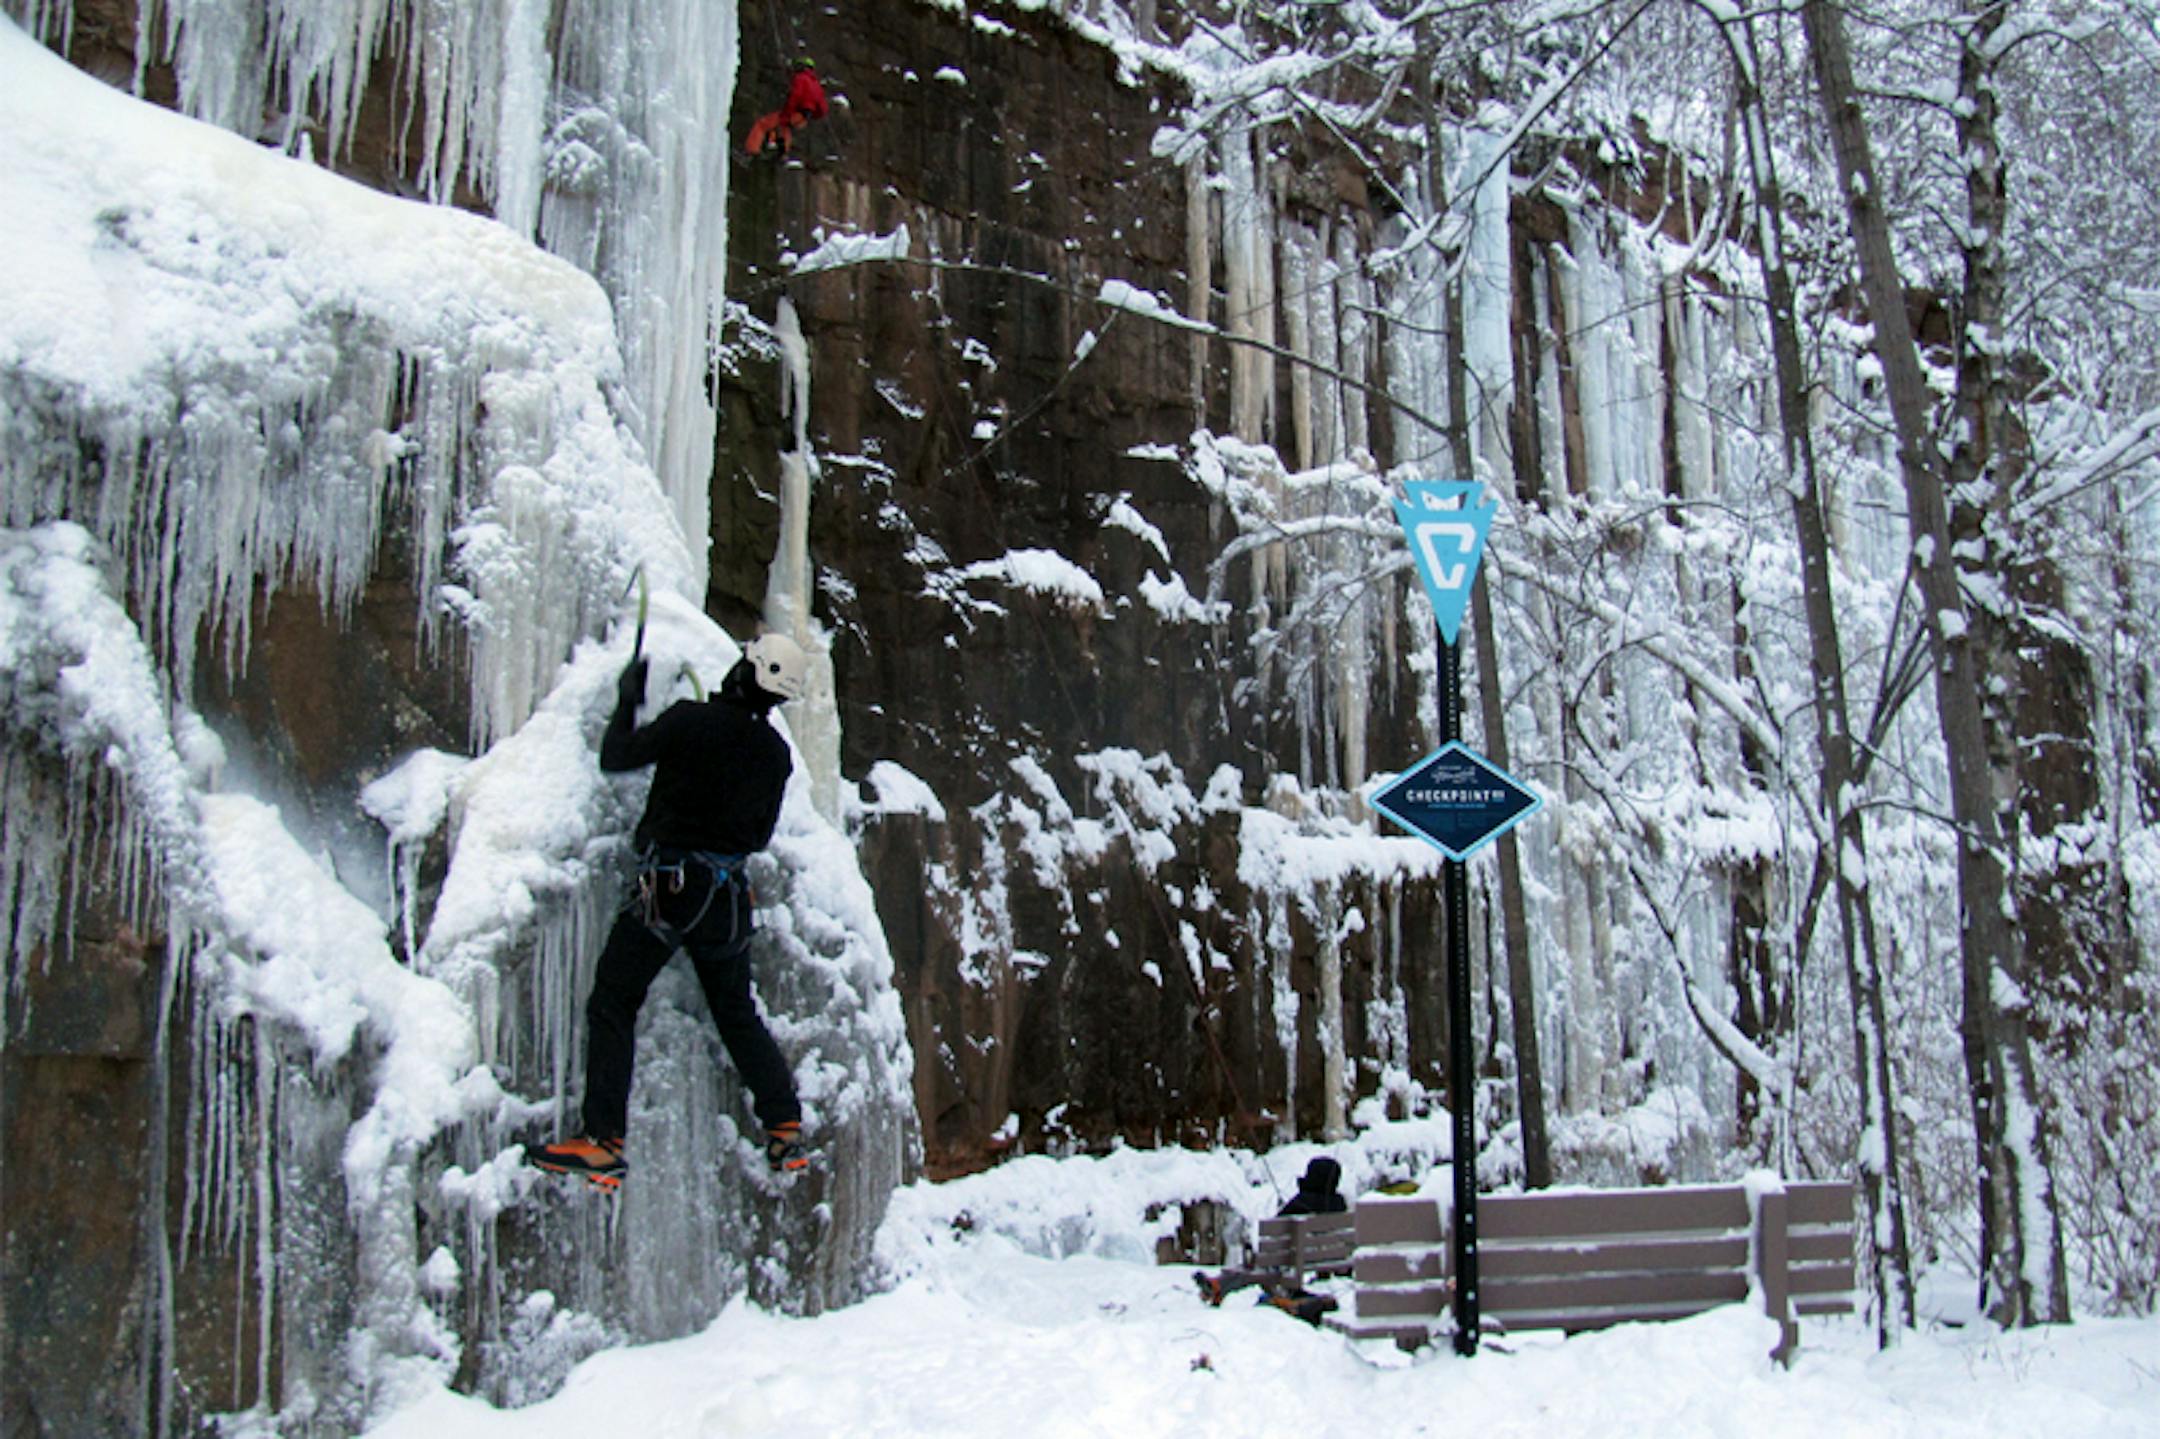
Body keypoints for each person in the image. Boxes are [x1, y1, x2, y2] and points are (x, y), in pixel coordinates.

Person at [529, 633, 813, 1189]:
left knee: (614, 997)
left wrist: (629, 702)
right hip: (728, 900)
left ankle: (603, 1140)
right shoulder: (776, 755)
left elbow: (618, 758)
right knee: (736, 1012)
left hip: (673, 888)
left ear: (744, 670)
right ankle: (783, 1126)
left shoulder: (690, 719)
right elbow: (758, 834)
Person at [1193, 1156, 1350, 1308]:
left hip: (1285, 1262)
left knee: (1257, 1267)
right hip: (1323, 1261)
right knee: (1259, 1266)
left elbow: (1276, 1230)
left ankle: (1218, 1285)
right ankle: (1218, 1286)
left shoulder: (1302, 1202)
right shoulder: (1340, 1206)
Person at [744, 58, 829, 157]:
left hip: (795, 113)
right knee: (784, 128)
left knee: (762, 124)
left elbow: (795, 96)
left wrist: (787, 113)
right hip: (804, 118)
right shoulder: (816, 85)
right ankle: (781, 153)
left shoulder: (801, 78)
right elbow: (823, 109)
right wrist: (810, 115)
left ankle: (751, 151)